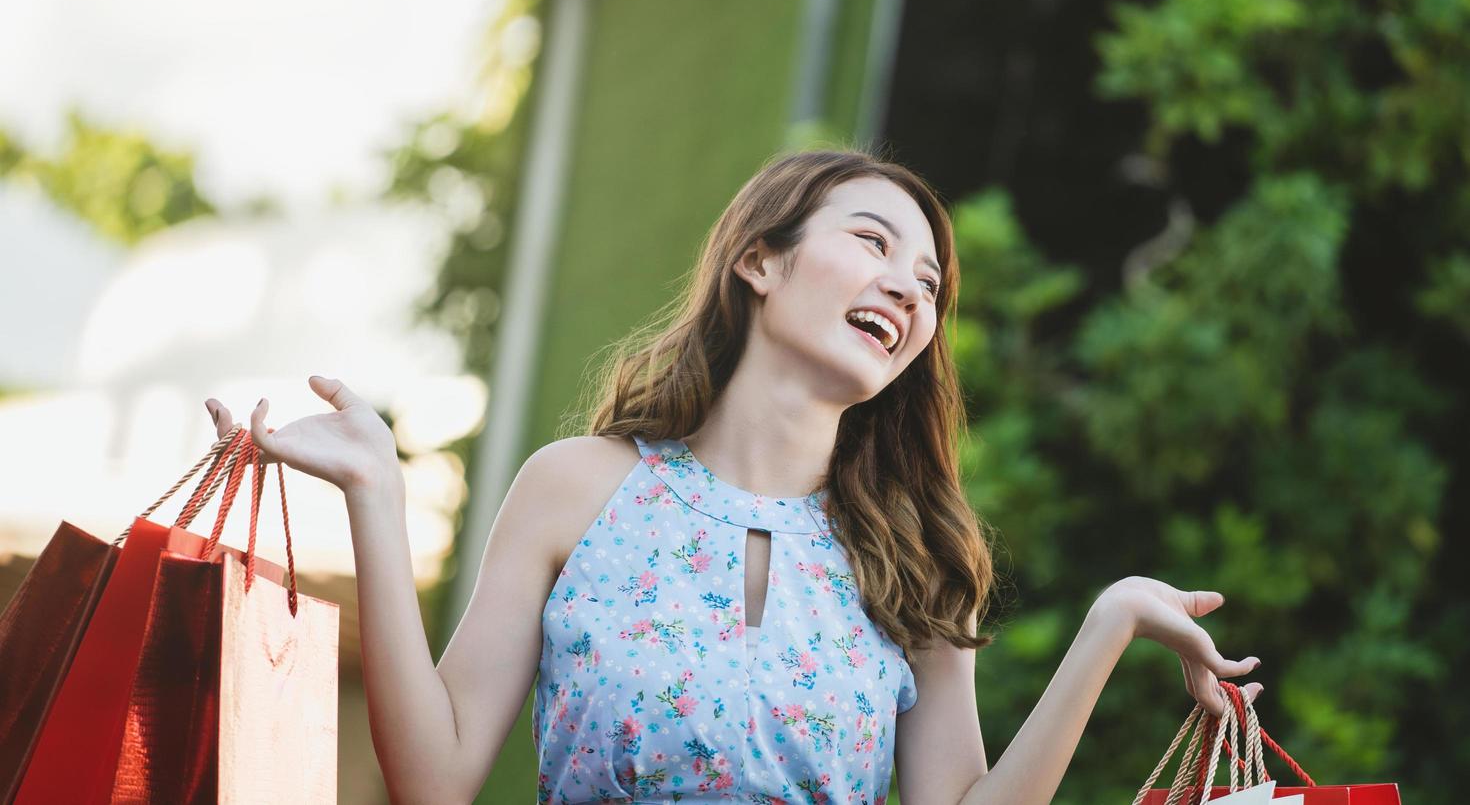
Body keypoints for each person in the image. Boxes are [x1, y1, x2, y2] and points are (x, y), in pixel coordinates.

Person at [203, 148, 1262, 804]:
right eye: (872, 241)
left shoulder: (918, 563)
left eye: (930, 281)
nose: (909, 284)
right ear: (760, 260)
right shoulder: (577, 486)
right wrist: (377, 500)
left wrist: (1110, 621)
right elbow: (432, 780)